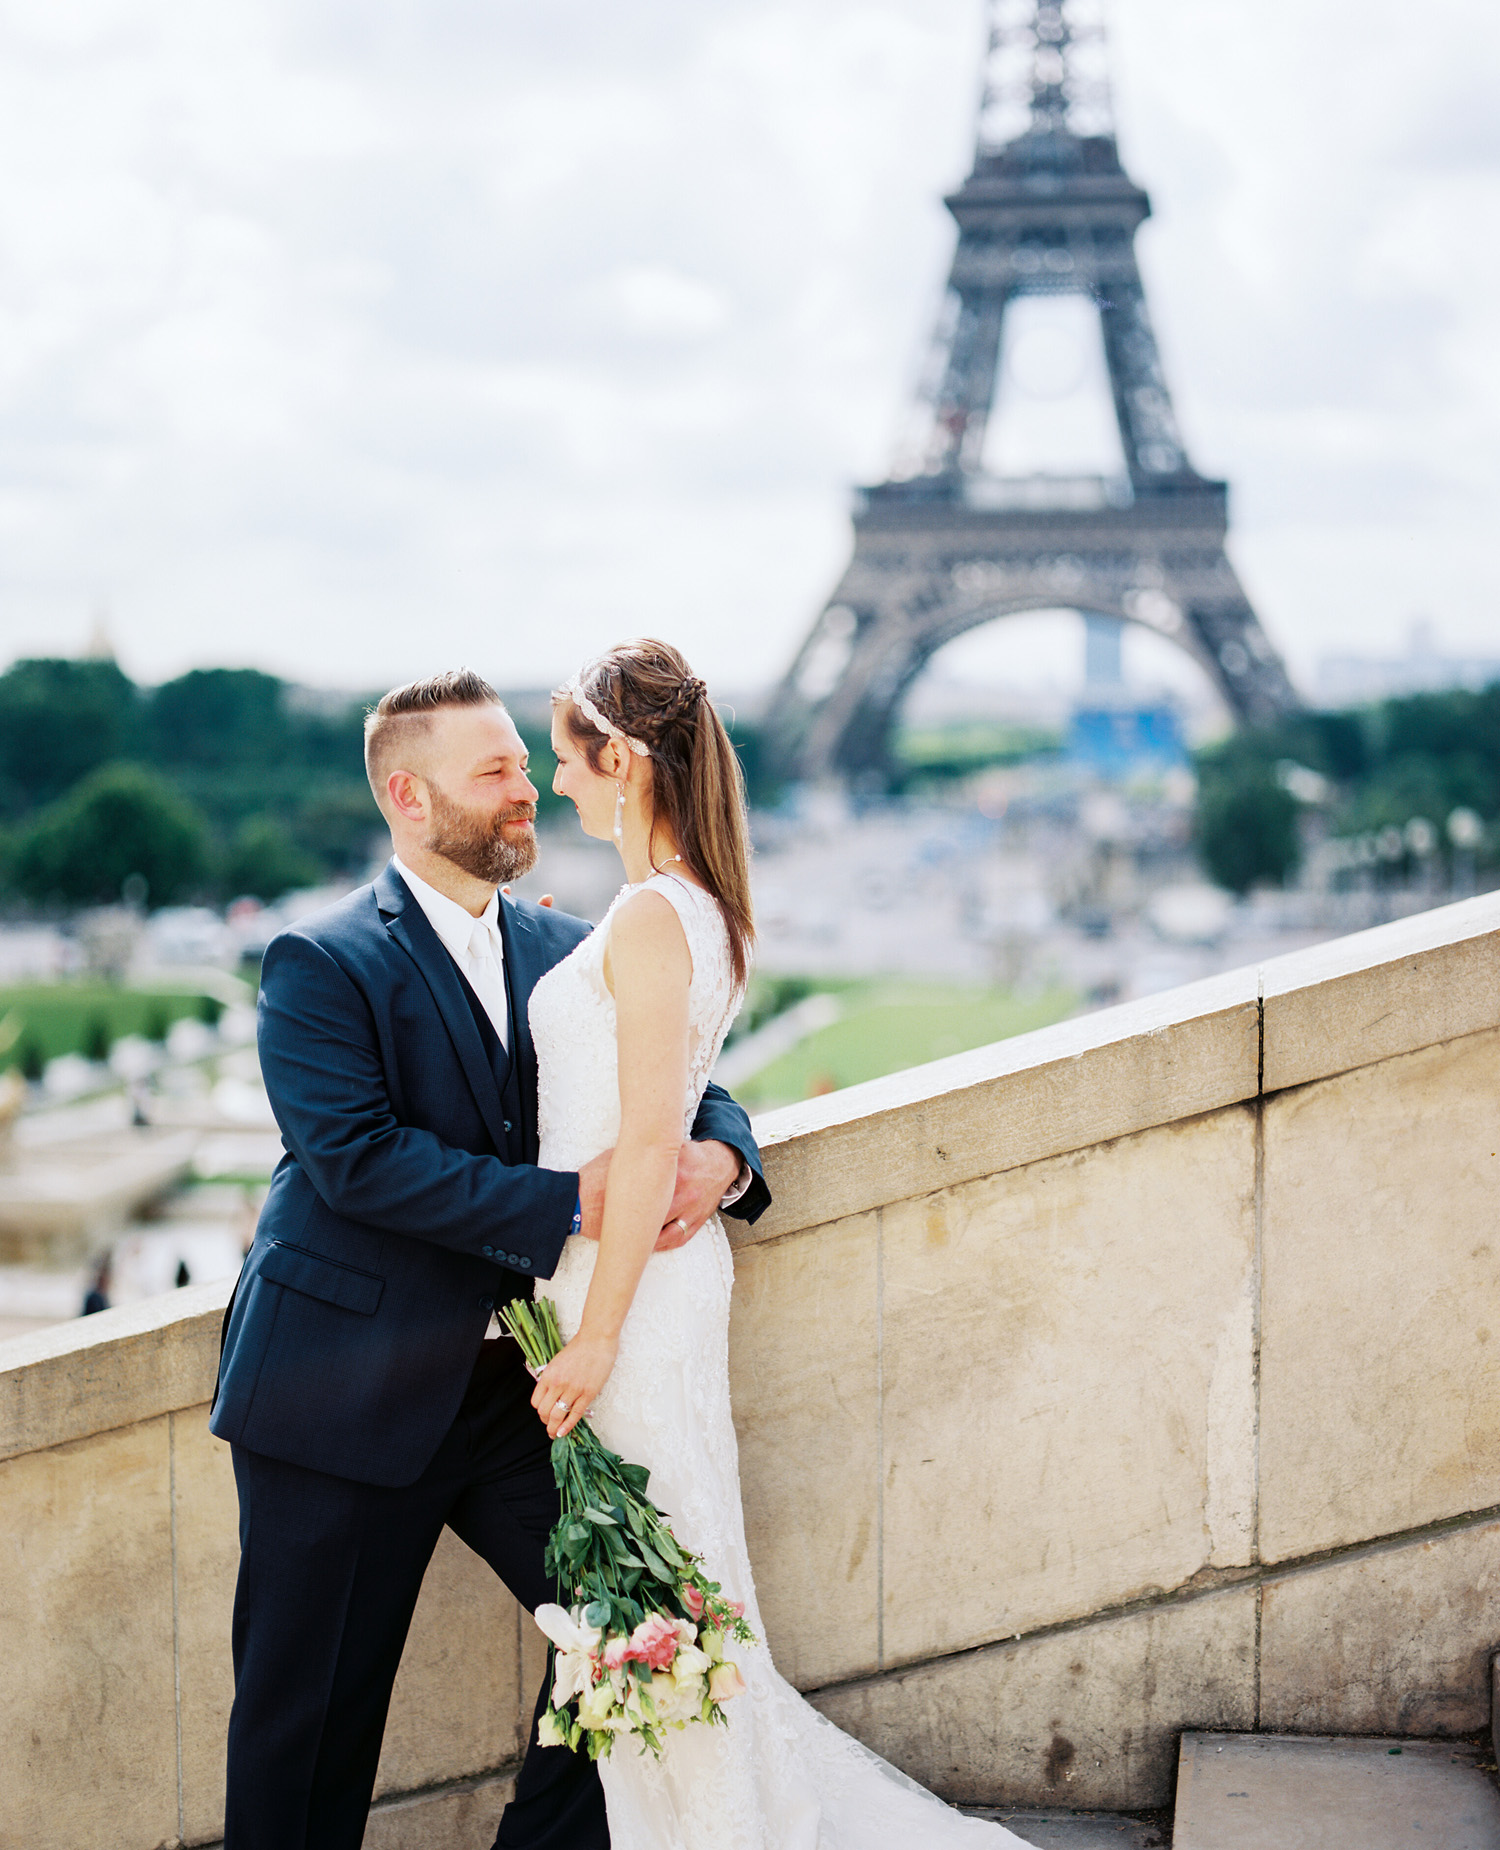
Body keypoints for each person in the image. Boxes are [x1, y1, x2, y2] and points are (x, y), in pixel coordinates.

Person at [209, 668, 768, 1850]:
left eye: (526, 761)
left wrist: (725, 1159)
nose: (528, 789)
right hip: (338, 1394)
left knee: (640, 1633)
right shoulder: (319, 958)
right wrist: (571, 1199)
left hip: (515, 1393)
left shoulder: (568, 941)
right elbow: (358, 1160)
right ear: (409, 797)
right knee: (306, 1731)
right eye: (497, 771)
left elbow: (682, 1079)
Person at [528, 639, 1024, 1848]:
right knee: (675, 1583)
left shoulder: (650, 918)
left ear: (626, 762)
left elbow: (648, 1145)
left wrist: (591, 1338)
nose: (557, 786)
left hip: (627, 1294)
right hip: (655, 1278)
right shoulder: (694, 904)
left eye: (568, 760)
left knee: (660, 1589)